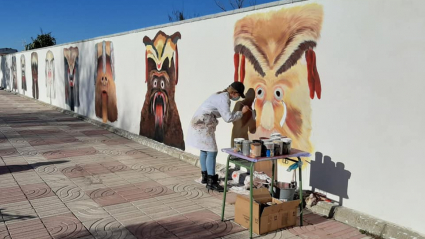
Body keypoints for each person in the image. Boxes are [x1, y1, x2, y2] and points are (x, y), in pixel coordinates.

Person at [187, 82, 249, 192]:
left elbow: (222, 112)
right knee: (212, 151)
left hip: (199, 121)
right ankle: (211, 182)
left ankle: (205, 177)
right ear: (234, 93)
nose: (238, 97)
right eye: (238, 95)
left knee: (205, 150)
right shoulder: (224, 98)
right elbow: (228, 118)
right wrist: (241, 113)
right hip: (203, 123)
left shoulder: (219, 94)